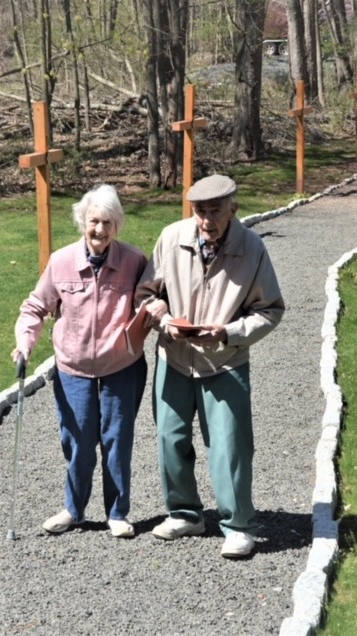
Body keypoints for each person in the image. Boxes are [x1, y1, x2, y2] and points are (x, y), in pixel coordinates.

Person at [137, 174, 285, 558]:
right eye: (200, 211)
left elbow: (270, 310)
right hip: (173, 356)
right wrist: (162, 316)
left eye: (215, 211)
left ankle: (238, 525)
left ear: (233, 210)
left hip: (225, 359)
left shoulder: (251, 249)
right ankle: (186, 514)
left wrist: (228, 332)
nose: (206, 220)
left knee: (229, 446)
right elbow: (147, 293)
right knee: (170, 438)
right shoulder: (171, 238)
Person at [12, 184, 152, 538]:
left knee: (117, 438)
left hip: (121, 364)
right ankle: (73, 509)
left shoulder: (134, 261)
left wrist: (155, 314)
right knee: (77, 438)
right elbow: (35, 307)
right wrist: (25, 344)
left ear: (117, 225)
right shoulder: (61, 262)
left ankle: (117, 513)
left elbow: (152, 301)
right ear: (82, 222)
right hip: (73, 366)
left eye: (107, 222)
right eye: (94, 222)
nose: (100, 230)